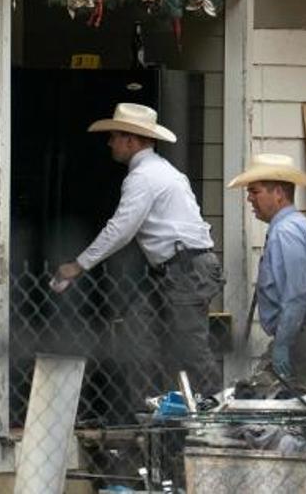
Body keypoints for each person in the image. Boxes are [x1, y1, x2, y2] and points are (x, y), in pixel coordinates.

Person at [51, 103, 223, 399]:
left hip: (185, 269)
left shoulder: (143, 177)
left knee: (190, 349)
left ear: (131, 140)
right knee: (138, 335)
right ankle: (155, 411)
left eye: (115, 136)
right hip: (173, 269)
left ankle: (217, 410)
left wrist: (78, 266)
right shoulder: (157, 171)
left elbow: (121, 230)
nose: (110, 143)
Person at [227, 153, 306, 393]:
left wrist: (282, 345)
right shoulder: (303, 227)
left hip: (304, 340)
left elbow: (297, 294)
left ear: (278, 193)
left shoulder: (286, 232)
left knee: (283, 409)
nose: (249, 198)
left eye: (255, 191)